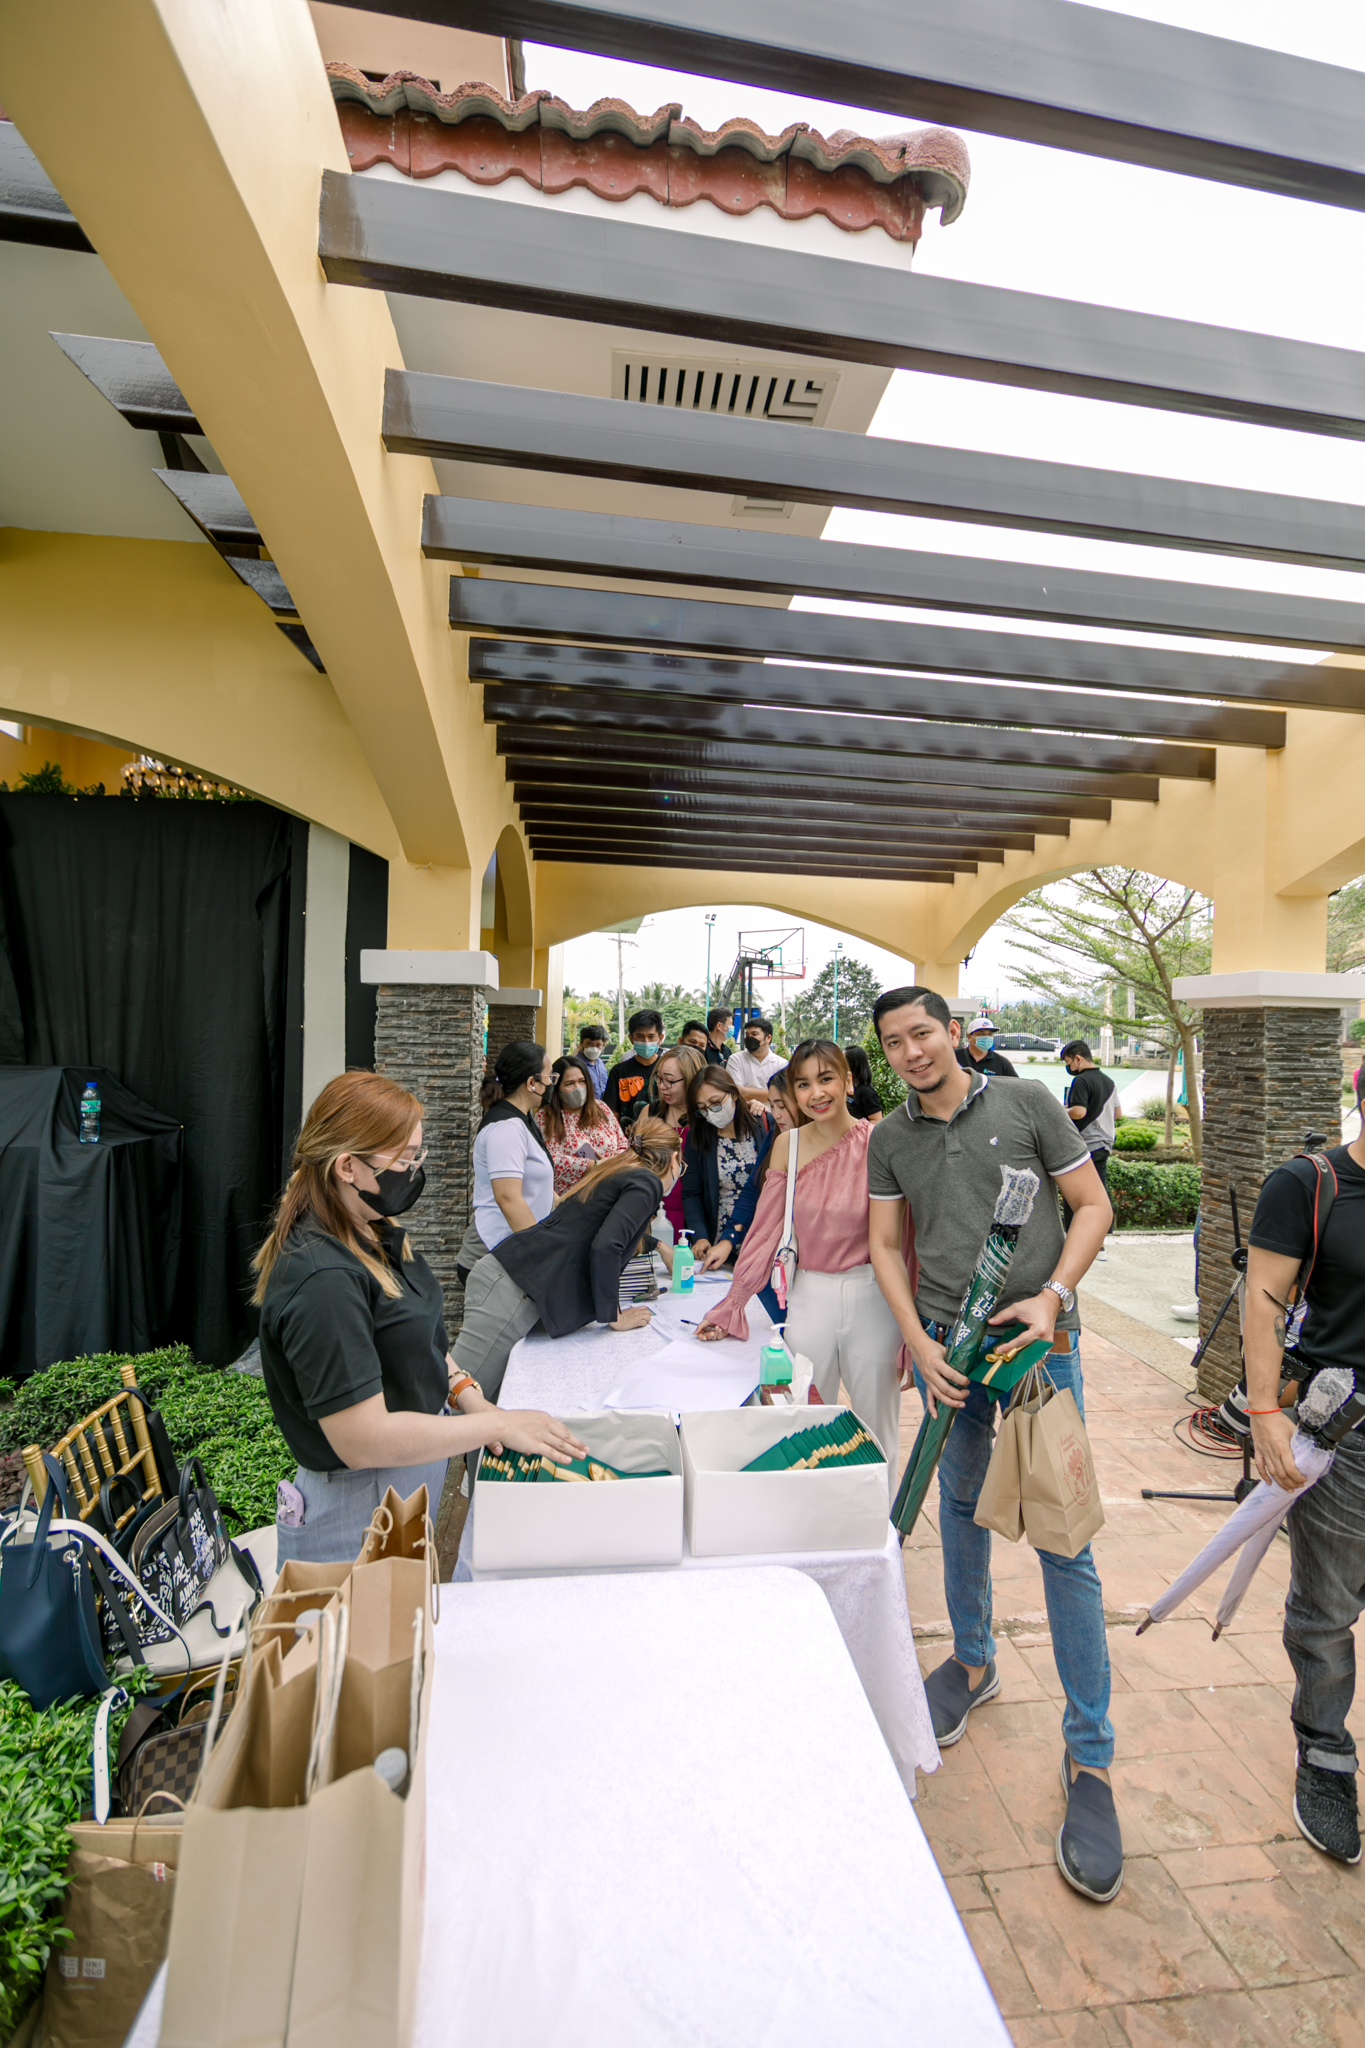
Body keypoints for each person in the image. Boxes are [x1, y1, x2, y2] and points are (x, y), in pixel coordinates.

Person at [865, 986, 1121, 1904]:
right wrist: (921, 1343)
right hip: (951, 1356)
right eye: (893, 1043)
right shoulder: (889, 1138)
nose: (911, 1053)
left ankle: (1090, 1759)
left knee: (1065, 1544)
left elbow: (1090, 1206)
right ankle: (972, 1662)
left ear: (953, 1033)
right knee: (962, 1512)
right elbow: (886, 1247)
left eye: (922, 1033)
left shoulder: (1026, 1104)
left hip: (1040, 1354)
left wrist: (1051, 1295)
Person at [253, 1071, 587, 1564]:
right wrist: (497, 1426)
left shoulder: (372, 1230)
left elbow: (421, 1342)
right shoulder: (322, 1279)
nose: (414, 1169)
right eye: (406, 1157)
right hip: (358, 1507)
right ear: (348, 1166)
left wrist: (469, 1397)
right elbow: (364, 1440)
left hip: (404, 1482)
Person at [696, 1040, 906, 1497]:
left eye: (827, 1079)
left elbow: (902, 1240)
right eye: (804, 1084)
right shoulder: (787, 1145)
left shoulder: (881, 1142)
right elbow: (764, 1231)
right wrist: (733, 1303)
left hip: (874, 1295)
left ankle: (882, 1531)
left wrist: (912, 1328)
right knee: (801, 1418)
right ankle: (810, 1517)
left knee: (877, 1426)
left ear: (848, 1082)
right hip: (808, 1295)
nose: (817, 1094)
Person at [1244, 1125, 1365, 1864]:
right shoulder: (1306, 1184)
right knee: (1326, 1610)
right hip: (1346, 1430)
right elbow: (1262, 1302)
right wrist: (1264, 1413)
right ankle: (1324, 1751)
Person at [452, 1119, 683, 1403]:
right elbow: (607, 1245)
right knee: (456, 1403)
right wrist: (614, 1316)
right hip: (513, 1290)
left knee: (491, 1402)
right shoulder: (647, 1182)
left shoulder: (619, 1171)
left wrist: (656, 1245)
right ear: (674, 1159)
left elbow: (591, 1230)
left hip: (514, 1283)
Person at [457, 1041, 556, 1280]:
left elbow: (532, 1185)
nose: (552, 1082)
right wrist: (541, 1255)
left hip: (511, 1250)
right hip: (494, 1255)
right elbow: (508, 1198)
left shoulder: (522, 1119)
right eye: (549, 1076)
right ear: (532, 1083)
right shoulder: (506, 1129)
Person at [680, 1066, 771, 1259]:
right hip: (719, 1243)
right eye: (702, 1109)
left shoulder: (764, 1125)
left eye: (715, 1102)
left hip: (764, 1238)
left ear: (733, 1094)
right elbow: (691, 1193)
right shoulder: (697, 1136)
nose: (711, 1113)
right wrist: (700, 1237)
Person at [536, 1054, 629, 1195]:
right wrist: (595, 1165)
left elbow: (623, 1143)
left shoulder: (601, 1108)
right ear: (557, 1088)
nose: (578, 1088)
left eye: (582, 1081)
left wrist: (613, 1162)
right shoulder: (546, 1116)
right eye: (569, 1084)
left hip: (610, 1190)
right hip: (572, 1198)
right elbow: (551, 1158)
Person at [1061, 1040, 1120, 1260]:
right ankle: (1099, 1246)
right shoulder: (1109, 1081)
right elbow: (1118, 1114)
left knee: (1075, 1196)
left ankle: (1076, 1244)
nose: (1069, 1068)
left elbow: (1078, 1112)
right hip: (1104, 1145)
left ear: (1078, 1058)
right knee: (1099, 1193)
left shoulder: (1081, 1081)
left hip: (1085, 1146)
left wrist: (1060, 1110)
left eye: (1069, 1063)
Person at [649, 1044, 707, 1247]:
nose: (662, 1086)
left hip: (697, 1219)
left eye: (670, 1081)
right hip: (654, 1214)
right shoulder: (651, 1113)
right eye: (659, 1078)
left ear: (692, 1080)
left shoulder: (708, 1120)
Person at [603, 1008, 665, 1127]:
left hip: (662, 1138)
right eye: (640, 1036)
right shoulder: (619, 1072)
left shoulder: (668, 1070)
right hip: (627, 1140)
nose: (646, 1042)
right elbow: (612, 1112)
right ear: (631, 1039)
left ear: (660, 1038)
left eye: (651, 1036)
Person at [727, 1015, 785, 1104]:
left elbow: (783, 1095)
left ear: (768, 1038)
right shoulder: (735, 1059)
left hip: (773, 1115)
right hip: (744, 1114)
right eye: (747, 1035)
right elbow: (735, 1092)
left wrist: (745, 1091)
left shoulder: (781, 1064)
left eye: (754, 1034)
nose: (750, 1038)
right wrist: (768, 1093)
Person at [957, 1014, 1018, 1079]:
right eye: (981, 1034)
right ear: (969, 1037)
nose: (986, 1037)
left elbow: (1016, 1085)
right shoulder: (954, 1057)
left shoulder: (1002, 1063)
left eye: (990, 1034)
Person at [845, 1044, 885, 1123]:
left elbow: (877, 1120)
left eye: (843, 1061)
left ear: (853, 1064)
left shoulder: (866, 1092)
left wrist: (859, 1133)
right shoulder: (846, 1087)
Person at [576, 1024, 610, 1099]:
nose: (594, 1048)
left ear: (603, 1044)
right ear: (581, 1043)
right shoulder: (575, 1065)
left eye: (598, 1045)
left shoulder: (600, 1063)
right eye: (589, 1044)